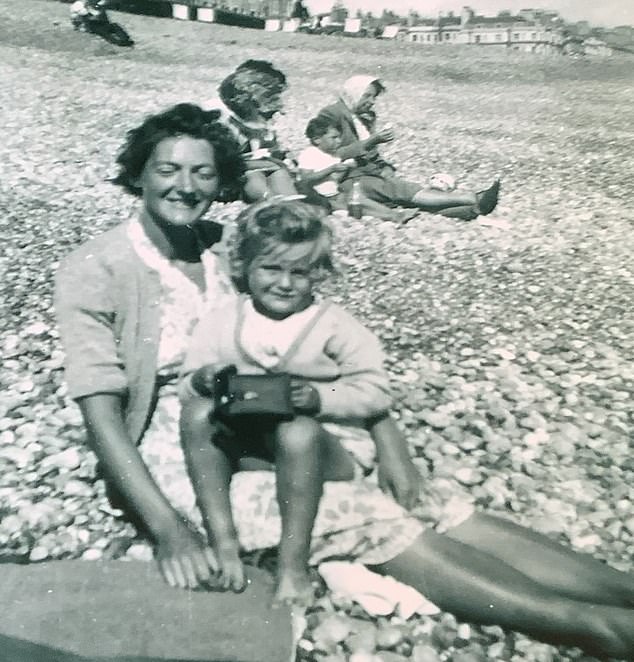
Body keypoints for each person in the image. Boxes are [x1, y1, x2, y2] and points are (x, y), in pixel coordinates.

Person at [54, 105, 634, 660]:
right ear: (138, 174)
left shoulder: (225, 247)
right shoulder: (97, 266)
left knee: (427, 498)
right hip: (180, 441)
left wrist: (392, 444)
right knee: (355, 511)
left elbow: (315, 341)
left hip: (274, 403)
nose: (186, 185)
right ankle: (597, 627)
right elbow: (101, 414)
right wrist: (169, 531)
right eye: (167, 169)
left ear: (222, 179)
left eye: (203, 172)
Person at [179, 200, 396, 605]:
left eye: (300, 273)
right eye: (271, 269)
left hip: (326, 447)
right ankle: (223, 542)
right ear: (244, 266)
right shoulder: (224, 319)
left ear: (318, 274)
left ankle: (292, 564)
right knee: (197, 414)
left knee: (296, 429)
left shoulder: (332, 324)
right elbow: (186, 385)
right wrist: (203, 380)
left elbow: (375, 390)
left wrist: (320, 397)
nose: (285, 283)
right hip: (259, 445)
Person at [316, 75, 501, 221]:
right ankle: (471, 198)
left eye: (374, 96)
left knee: (402, 197)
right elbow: (329, 155)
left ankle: (470, 210)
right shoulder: (331, 114)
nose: (371, 101)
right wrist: (372, 141)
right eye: (367, 95)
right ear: (353, 93)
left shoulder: (364, 117)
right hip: (345, 179)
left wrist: (385, 166)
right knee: (400, 190)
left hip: (367, 175)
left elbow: (372, 154)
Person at [297, 116, 418, 224]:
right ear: (317, 139)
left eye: (339, 137)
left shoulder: (332, 155)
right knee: (356, 206)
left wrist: (344, 169)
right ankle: (393, 216)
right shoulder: (309, 154)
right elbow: (305, 179)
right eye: (333, 138)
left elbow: (333, 180)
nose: (338, 141)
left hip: (334, 195)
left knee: (358, 200)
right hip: (319, 199)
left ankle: (394, 215)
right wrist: (331, 169)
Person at [207, 60, 299, 202]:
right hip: (226, 174)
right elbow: (218, 161)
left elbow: (265, 146)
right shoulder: (218, 117)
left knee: (279, 173)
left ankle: (293, 205)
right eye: (270, 94)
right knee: (255, 175)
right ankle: (272, 201)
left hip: (252, 166)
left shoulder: (256, 114)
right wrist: (267, 163)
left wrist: (280, 157)